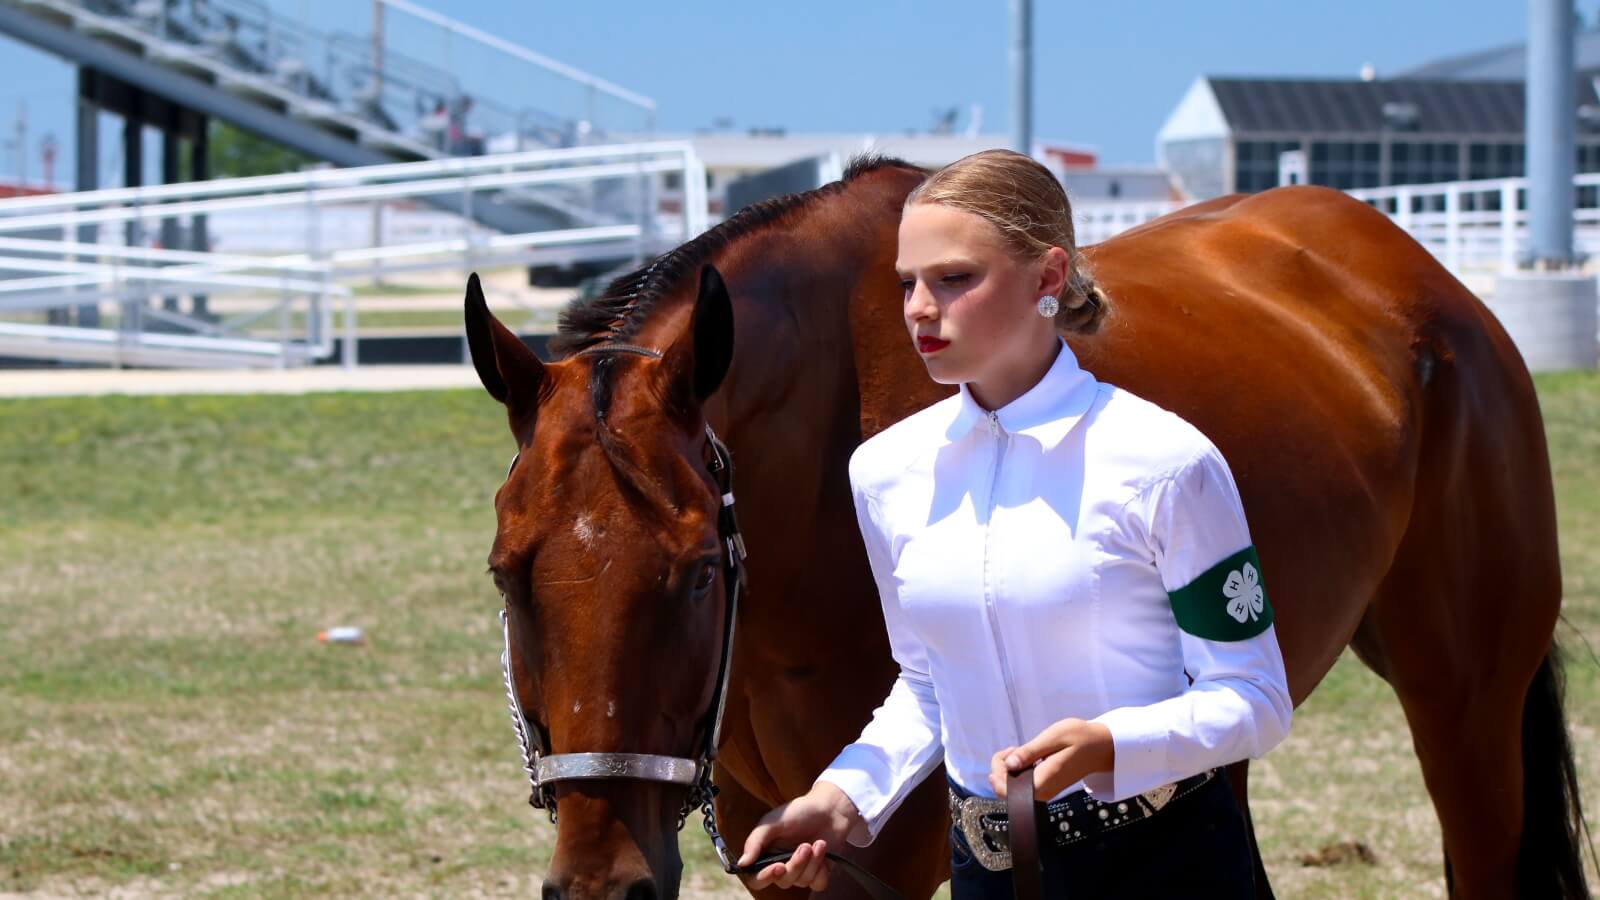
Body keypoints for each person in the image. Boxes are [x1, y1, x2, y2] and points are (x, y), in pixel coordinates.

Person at [736, 149, 1293, 898]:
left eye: (954, 278)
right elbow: (930, 682)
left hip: (1167, 865)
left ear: (1048, 277)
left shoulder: (1165, 462)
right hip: (989, 873)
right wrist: (843, 799)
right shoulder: (885, 473)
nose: (919, 309)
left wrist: (1108, 745)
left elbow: (1253, 699)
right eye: (907, 283)